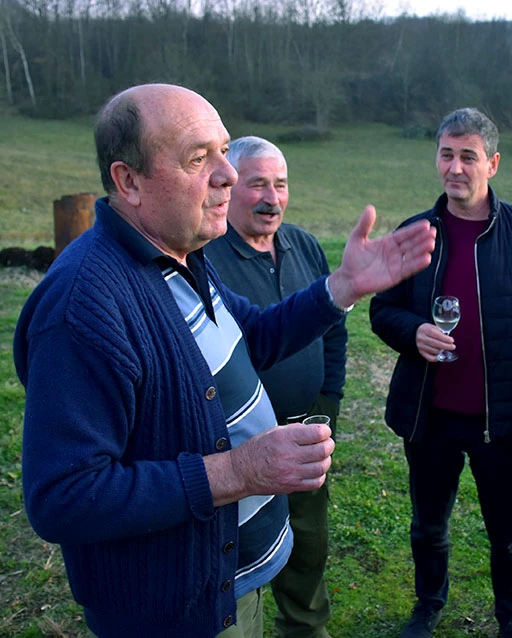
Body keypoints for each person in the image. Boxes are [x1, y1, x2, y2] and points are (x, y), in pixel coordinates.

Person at [13, 83, 436, 638]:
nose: (229, 175)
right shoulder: (84, 307)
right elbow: (62, 498)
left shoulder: (181, 255)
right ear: (128, 181)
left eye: (223, 149)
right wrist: (238, 471)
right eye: (198, 157)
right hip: (177, 609)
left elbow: (253, 336)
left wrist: (343, 286)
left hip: (230, 580)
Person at [369, 108, 512, 638]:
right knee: (428, 526)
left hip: (506, 420)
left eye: (468, 156)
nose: (455, 168)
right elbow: (381, 310)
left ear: (493, 163)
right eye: (446, 154)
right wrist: (412, 332)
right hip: (431, 414)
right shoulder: (416, 233)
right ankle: (428, 606)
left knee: (508, 534)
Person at [204, 136, 344, 638]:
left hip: (307, 428)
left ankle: (306, 626)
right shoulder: (207, 258)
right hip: (240, 445)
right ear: (228, 186)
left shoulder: (303, 244)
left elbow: (334, 330)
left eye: (280, 184)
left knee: (308, 540)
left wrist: (329, 399)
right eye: (257, 183)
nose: (272, 197)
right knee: (243, 550)